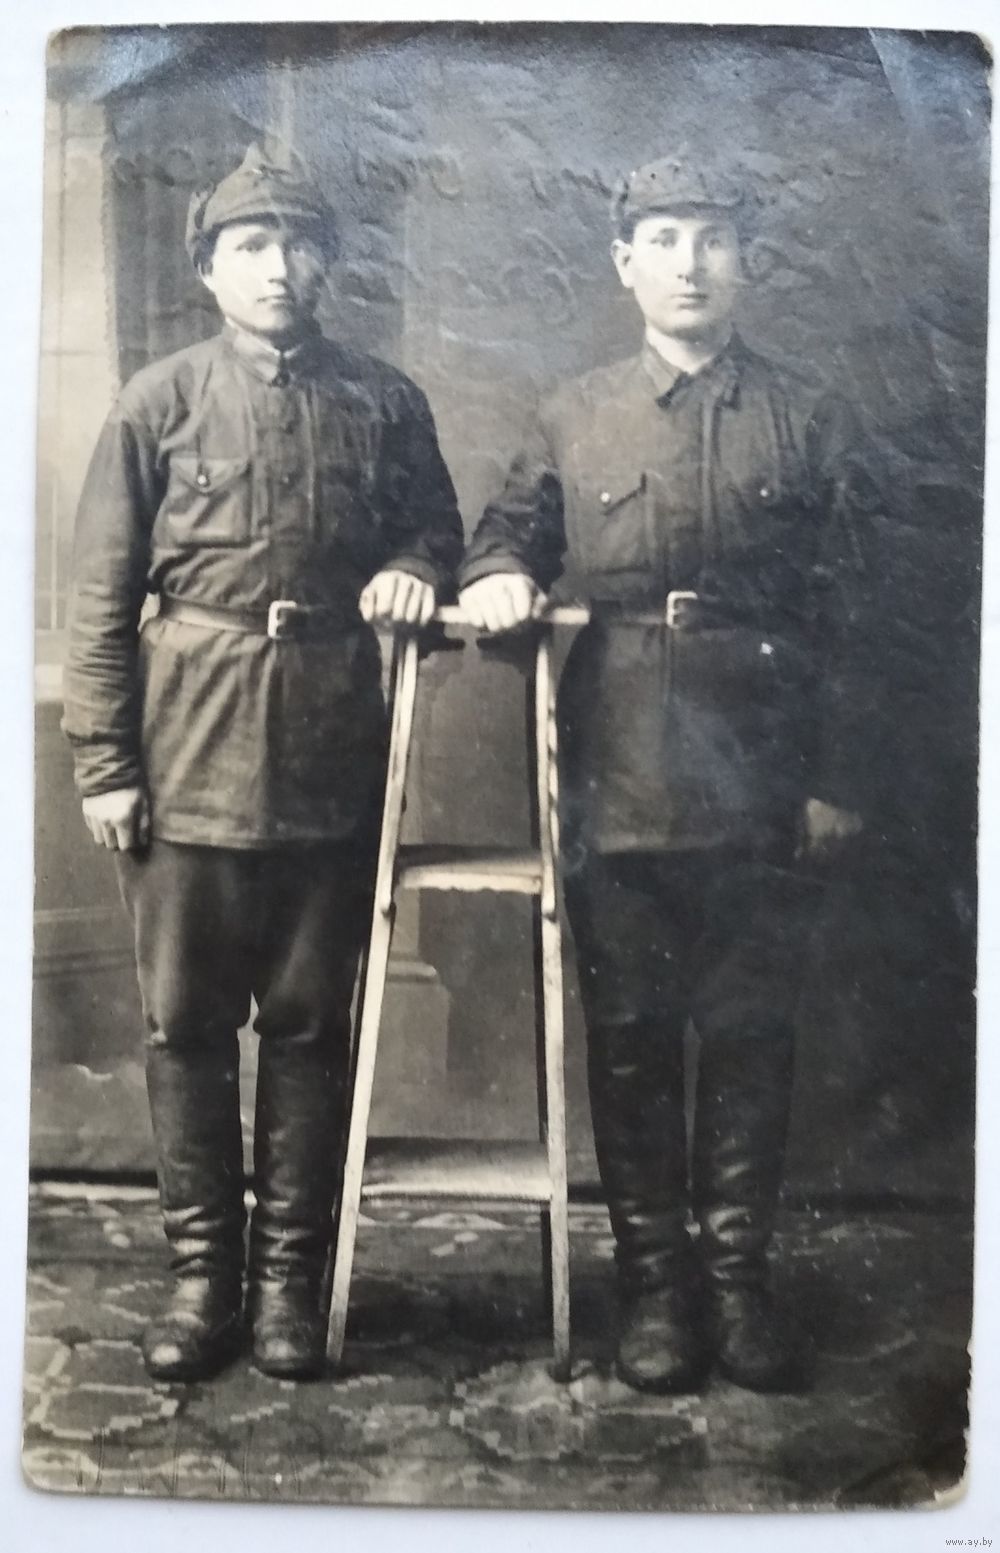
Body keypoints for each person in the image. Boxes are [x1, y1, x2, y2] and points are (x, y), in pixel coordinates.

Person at [458, 154, 878, 1394]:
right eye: (663, 237)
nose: (689, 263)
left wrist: (834, 779)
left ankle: (737, 1286)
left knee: (750, 1034)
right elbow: (504, 537)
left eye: (712, 238)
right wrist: (500, 575)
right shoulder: (571, 412)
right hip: (619, 773)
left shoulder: (808, 417)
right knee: (634, 1035)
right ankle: (655, 1288)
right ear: (622, 263)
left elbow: (860, 615)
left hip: (761, 777)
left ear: (748, 261)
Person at [62, 141, 463, 1382]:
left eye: (299, 244)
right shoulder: (158, 402)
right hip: (186, 748)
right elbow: (99, 598)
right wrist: (104, 761)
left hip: (331, 751)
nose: (278, 267)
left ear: (329, 262)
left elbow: (435, 530)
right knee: (185, 1027)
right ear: (208, 269)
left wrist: (417, 569)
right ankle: (204, 1282)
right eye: (251, 245)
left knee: (307, 1024)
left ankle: (290, 1281)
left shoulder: (385, 401)